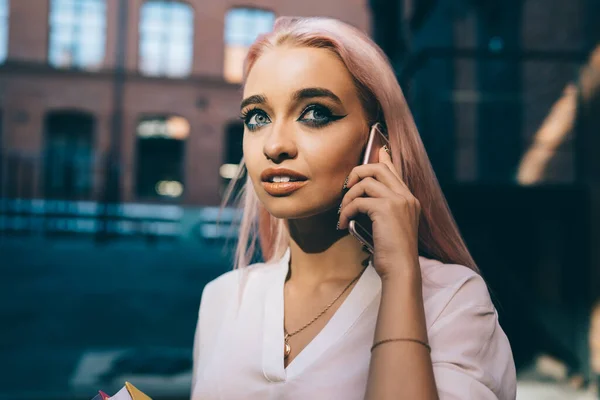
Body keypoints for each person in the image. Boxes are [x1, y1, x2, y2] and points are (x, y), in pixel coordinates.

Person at [191, 16, 516, 400]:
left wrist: (399, 276)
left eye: (315, 113)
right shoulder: (223, 299)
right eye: (257, 117)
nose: (275, 145)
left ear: (378, 142)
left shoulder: (450, 301)